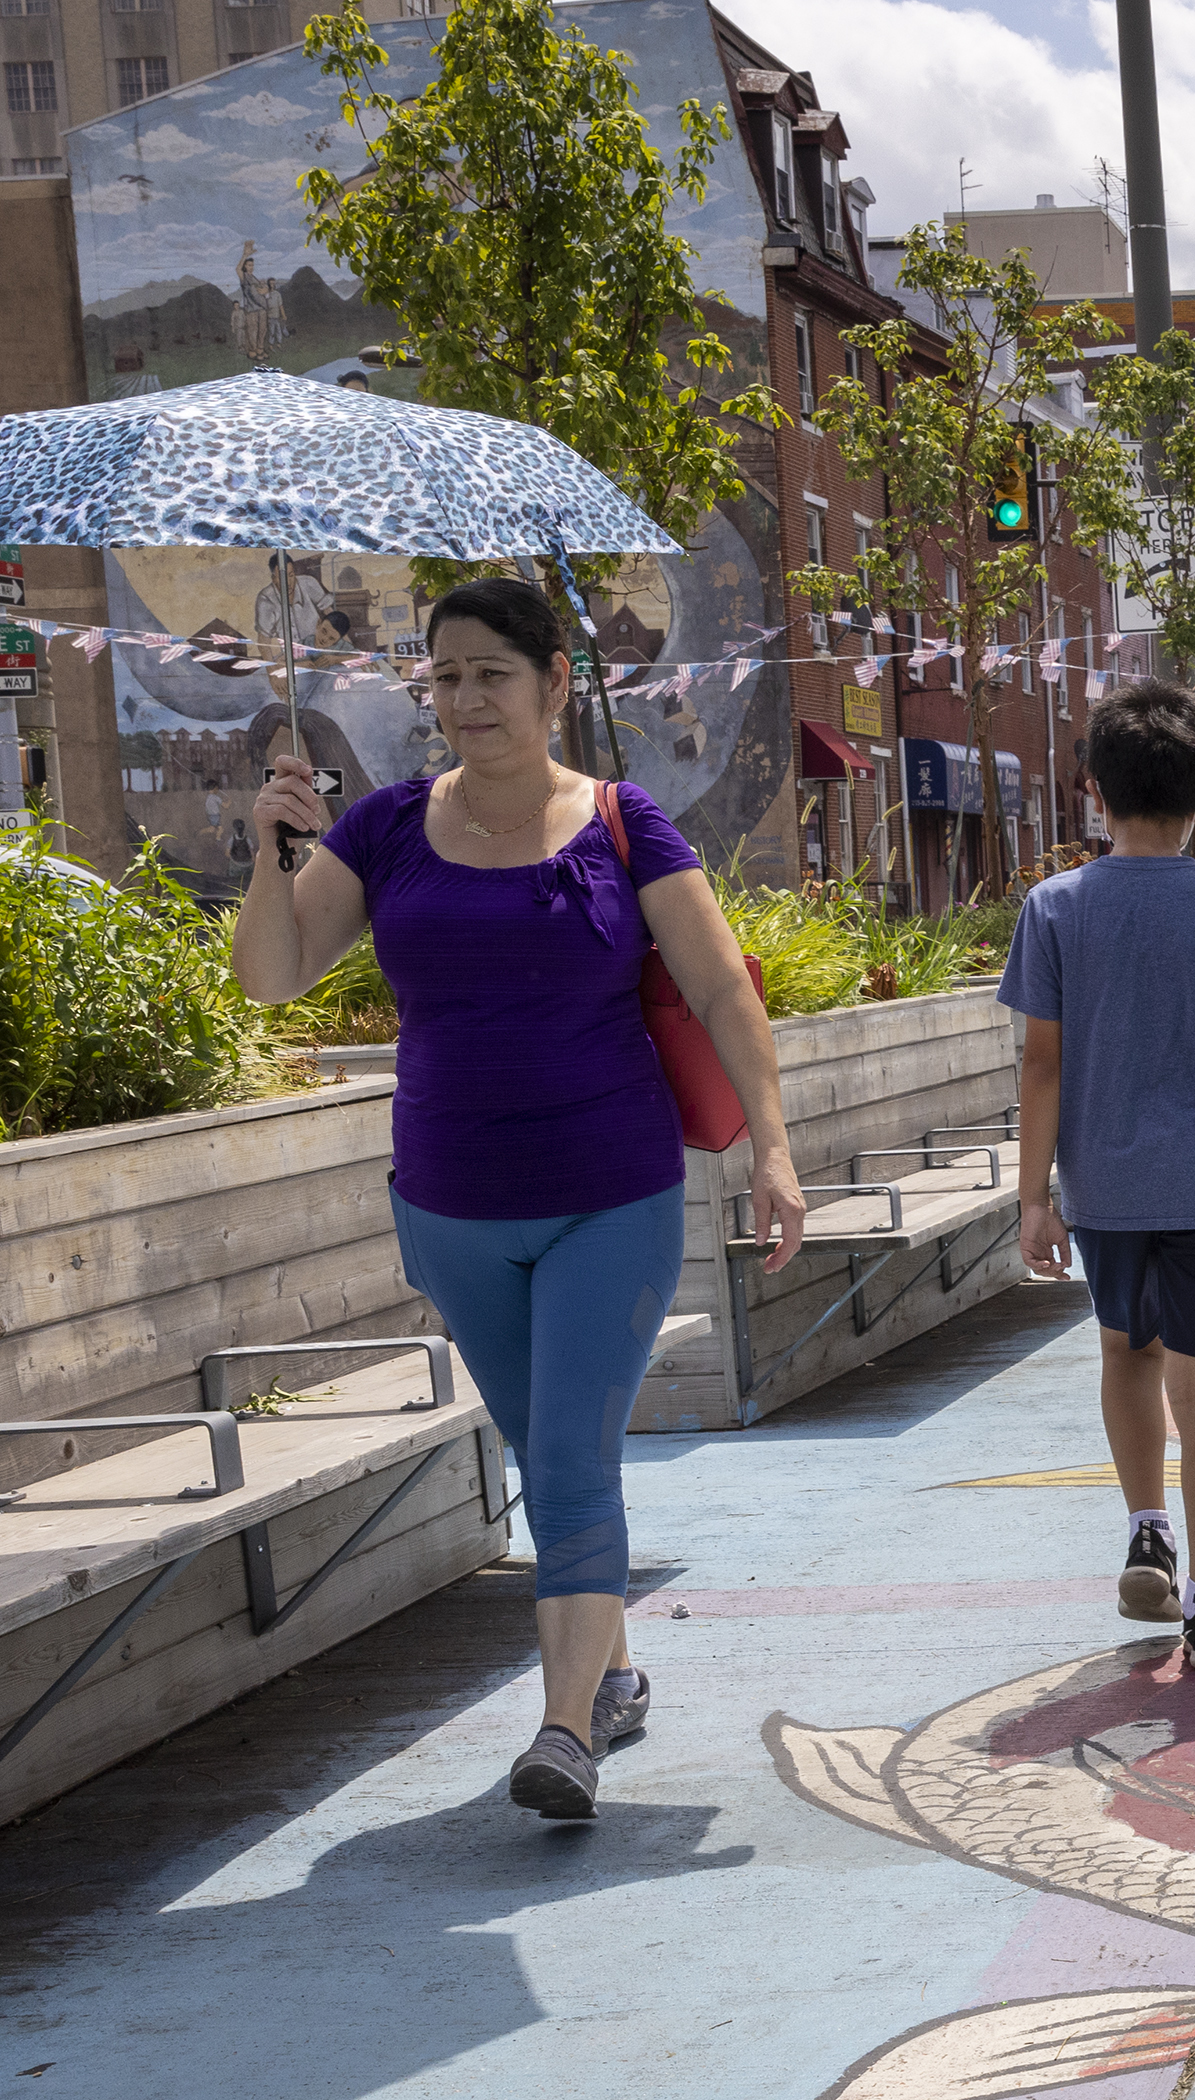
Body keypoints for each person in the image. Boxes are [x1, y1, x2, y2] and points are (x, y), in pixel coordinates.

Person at [236, 574, 805, 1823]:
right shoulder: (381, 829)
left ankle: (561, 1733)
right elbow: (274, 980)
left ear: (554, 681)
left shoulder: (621, 822)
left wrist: (769, 1148)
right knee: (546, 1463)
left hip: (611, 1192)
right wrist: (273, 853)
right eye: (443, 678)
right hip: (451, 1208)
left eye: (491, 673)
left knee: (569, 1458)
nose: (465, 699)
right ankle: (607, 1675)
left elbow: (722, 992)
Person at [1007, 683, 1195, 1672]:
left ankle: (1145, 1527)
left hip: (1106, 1185)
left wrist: (1033, 1197)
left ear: (1096, 791)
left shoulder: (1053, 909)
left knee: (1126, 1353)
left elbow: (1040, 1065)